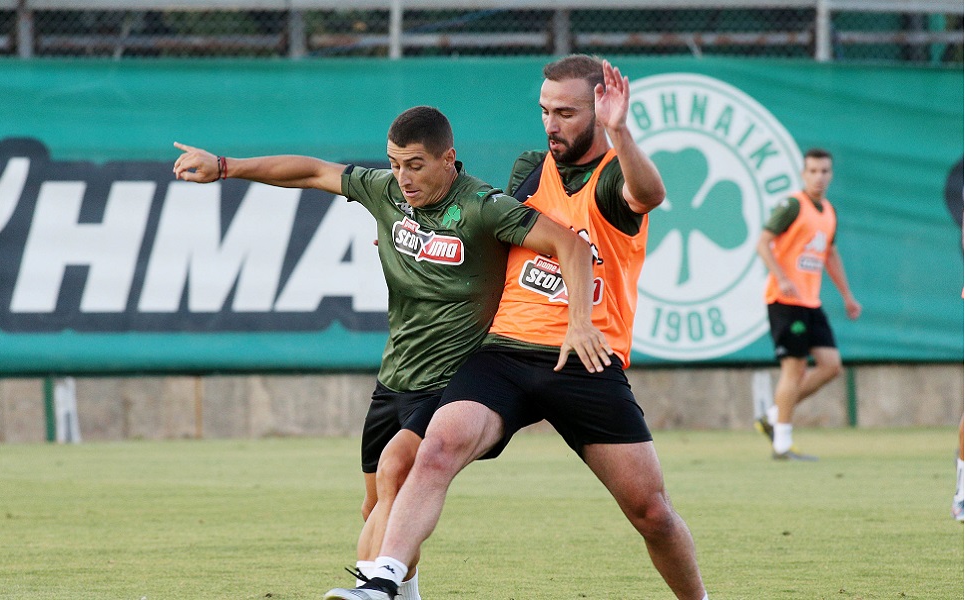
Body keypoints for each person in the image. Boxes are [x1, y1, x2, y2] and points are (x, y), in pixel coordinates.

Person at [172, 105, 606, 599]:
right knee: (376, 503)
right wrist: (226, 167)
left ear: (449, 158)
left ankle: (372, 591)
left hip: (452, 384)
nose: (402, 176)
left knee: (398, 472)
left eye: (415, 164)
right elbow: (314, 171)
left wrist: (579, 324)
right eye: (395, 163)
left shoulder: (484, 207)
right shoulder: (387, 192)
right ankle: (404, 590)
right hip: (395, 376)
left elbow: (570, 246)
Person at [325, 56, 708, 600]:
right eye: (546, 110)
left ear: (601, 113)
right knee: (436, 448)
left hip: (585, 359)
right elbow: (493, 237)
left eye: (568, 113)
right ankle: (381, 580)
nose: (552, 124)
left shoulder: (613, 179)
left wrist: (621, 133)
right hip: (502, 352)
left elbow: (648, 196)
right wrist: (407, 237)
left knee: (652, 512)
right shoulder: (530, 169)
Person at [754, 148, 862, 461]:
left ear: (831, 174)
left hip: (810, 302)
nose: (819, 177)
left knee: (831, 366)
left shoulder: (829, 211)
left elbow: (830, 254)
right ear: (803, 173)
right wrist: (781, 276)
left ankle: (774, 416)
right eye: (813, 171)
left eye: (825, 171)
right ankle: (782, 444)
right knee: (795, 369)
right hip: (785, 300)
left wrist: (847, 295)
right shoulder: (792, 206)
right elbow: (762, 242)